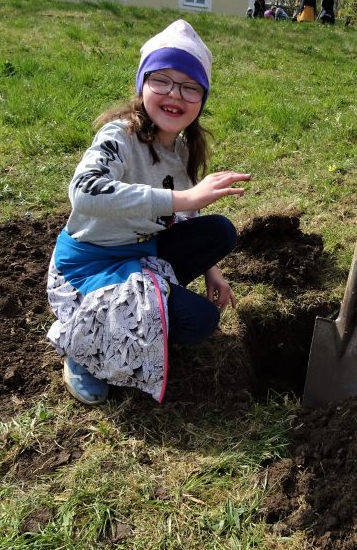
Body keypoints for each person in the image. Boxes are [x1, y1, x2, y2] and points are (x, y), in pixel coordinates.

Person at [46, 20, 251, 405]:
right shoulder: (119, 136)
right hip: (91, 263)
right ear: (142, 85)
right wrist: (184, 200)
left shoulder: (183, 150)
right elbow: (84, 192)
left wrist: (212, 270)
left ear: (202, 99)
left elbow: (182, 217)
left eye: (190, 86)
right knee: (198, 321)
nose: (175, 94)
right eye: (162, 80)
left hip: (142, 251)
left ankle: (144, 309)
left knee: (220, 232)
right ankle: (84, 350)